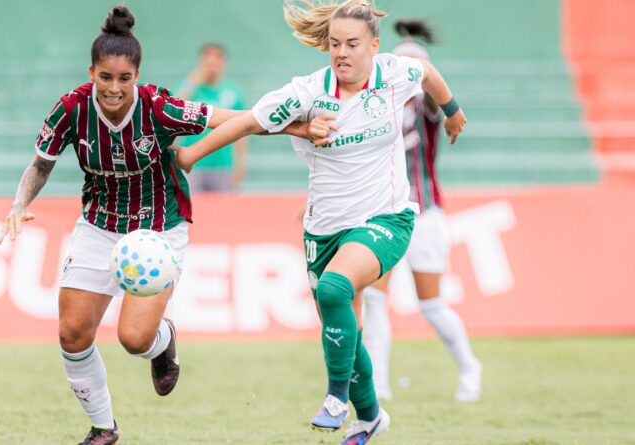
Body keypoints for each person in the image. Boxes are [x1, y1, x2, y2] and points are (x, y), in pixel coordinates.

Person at [0, 6, 313, 444]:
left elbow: (231, 119)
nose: (113, 88)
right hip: (98, 226)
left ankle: (163, 343)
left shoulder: (157, 107)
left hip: (158, 229)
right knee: (71, 333)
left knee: (134, 338)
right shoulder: (70, 109)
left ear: (136, 77)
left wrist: (300, 128)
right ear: (91, 72)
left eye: (124, 79)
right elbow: (40, 166)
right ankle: (103, 427)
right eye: (105, 77)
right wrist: (18, 203)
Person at [172, 1, 467, 443]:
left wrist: (452, 110)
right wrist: (191, 155)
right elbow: (248, 123)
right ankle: (370, 418)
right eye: (334, 44)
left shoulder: (395, 73)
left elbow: (428, 75)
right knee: (348, 334)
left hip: (387, 218)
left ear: (374, 46)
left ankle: (336, 397)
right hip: (323, 229)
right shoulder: (307, 93)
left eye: (352, 44)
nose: (341, 53)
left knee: (335, 288)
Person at [361, 19, 483, 403]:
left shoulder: (428, 105)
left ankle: (469, 367)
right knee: (375, 300)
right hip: (383, 212)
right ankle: (378, 384)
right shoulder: (374, 107)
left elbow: (433, 93)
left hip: (425, 212)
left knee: (431, 304)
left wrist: (424, 73)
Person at [177, 43, 249, 192]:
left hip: (223, 165)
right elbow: (174, 111)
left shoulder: (233, 91)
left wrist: (239, 166)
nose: (212, 64)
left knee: (223, 211)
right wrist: (191, 82)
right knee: (191, 210)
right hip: (193, 164)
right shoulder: (190, 89)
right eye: (208, 60)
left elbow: (243, 131)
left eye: (217, 59)